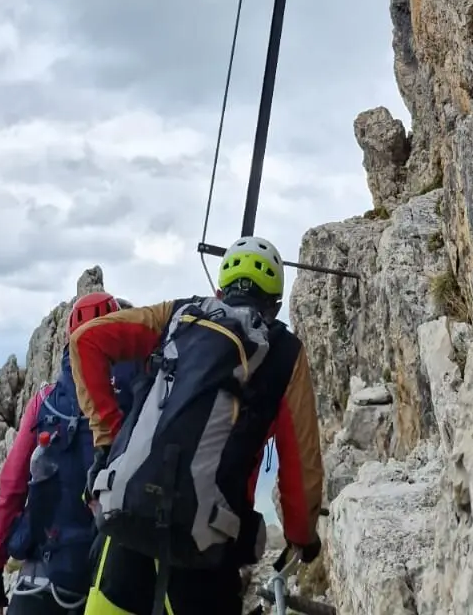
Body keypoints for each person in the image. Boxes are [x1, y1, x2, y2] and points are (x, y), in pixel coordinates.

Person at [69, 237, 323, 615]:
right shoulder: (285, 353)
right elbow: (299, 462)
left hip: (126, 528)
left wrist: (107, 439)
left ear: (219, 291)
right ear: (276, 304)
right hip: (207, 550)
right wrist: (301, 536)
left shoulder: (178, 315)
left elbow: (86, 339)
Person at [0, 292, 130, 615]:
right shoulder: (135, 400)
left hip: (42, 577)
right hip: (108, 581)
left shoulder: (46, 401)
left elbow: (11, 488)